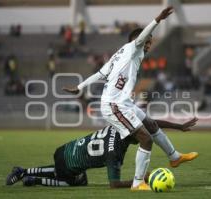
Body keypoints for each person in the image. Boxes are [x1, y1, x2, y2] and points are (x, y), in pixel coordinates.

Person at [62, 7, 198, 191]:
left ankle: (174, 157)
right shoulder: (132, 48)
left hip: (123, 102)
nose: (148, 46)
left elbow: (98, 74)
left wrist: (79, 87)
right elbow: (141, 37)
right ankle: (137, 182)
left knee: (150, 124)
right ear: (138, 41)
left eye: (149, 43)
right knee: (146, 139)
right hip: (113, 105)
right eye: (147, 42)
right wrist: (158, 19)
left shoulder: (119, 56)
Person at [6, 118, 198, 188]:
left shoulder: (119, 126)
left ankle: (26, 173)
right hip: (68, 163)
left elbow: (150, 123)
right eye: (140, 137)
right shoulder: (114, 152)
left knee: (71, 172)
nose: (143, 138)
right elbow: (114, 185)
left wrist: (177, 126)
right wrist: (141, 180)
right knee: (74, 180)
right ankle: (32, 177)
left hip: (65, 149)